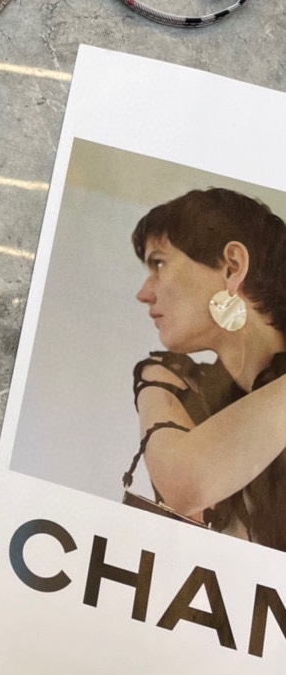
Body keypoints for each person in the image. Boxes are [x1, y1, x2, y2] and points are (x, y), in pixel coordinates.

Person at [130, 187, 286, 548]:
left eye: (158, 264)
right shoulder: (176, 380)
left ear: (232, 266)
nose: (144, 293)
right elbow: (185, 486)